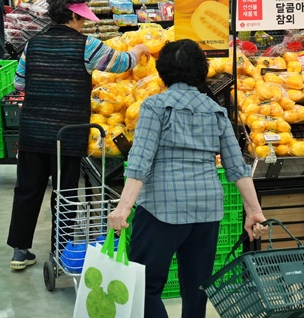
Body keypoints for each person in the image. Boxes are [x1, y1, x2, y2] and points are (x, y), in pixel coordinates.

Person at [108, 39, 268, 318]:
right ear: (201, 71)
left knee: (145, 288)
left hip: (161, 209)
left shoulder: (155, 107)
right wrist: (254, 211)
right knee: (197, 290)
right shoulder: (216, 111)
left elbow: (140, 161)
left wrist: (123, 208)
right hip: (207, 210)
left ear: (162, 71)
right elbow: (237, 166)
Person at [6, 0, 149, 270]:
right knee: (65, 193)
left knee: (27, 189)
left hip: (33, 131)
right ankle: (60, 251)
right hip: (68, 134)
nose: (84, 22)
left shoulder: (32, 45)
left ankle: (20, 251)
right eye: (82, 17)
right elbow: (120, 63)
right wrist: (138, 50)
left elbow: (19, 84)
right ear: (73, 15)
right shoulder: (87, 45)